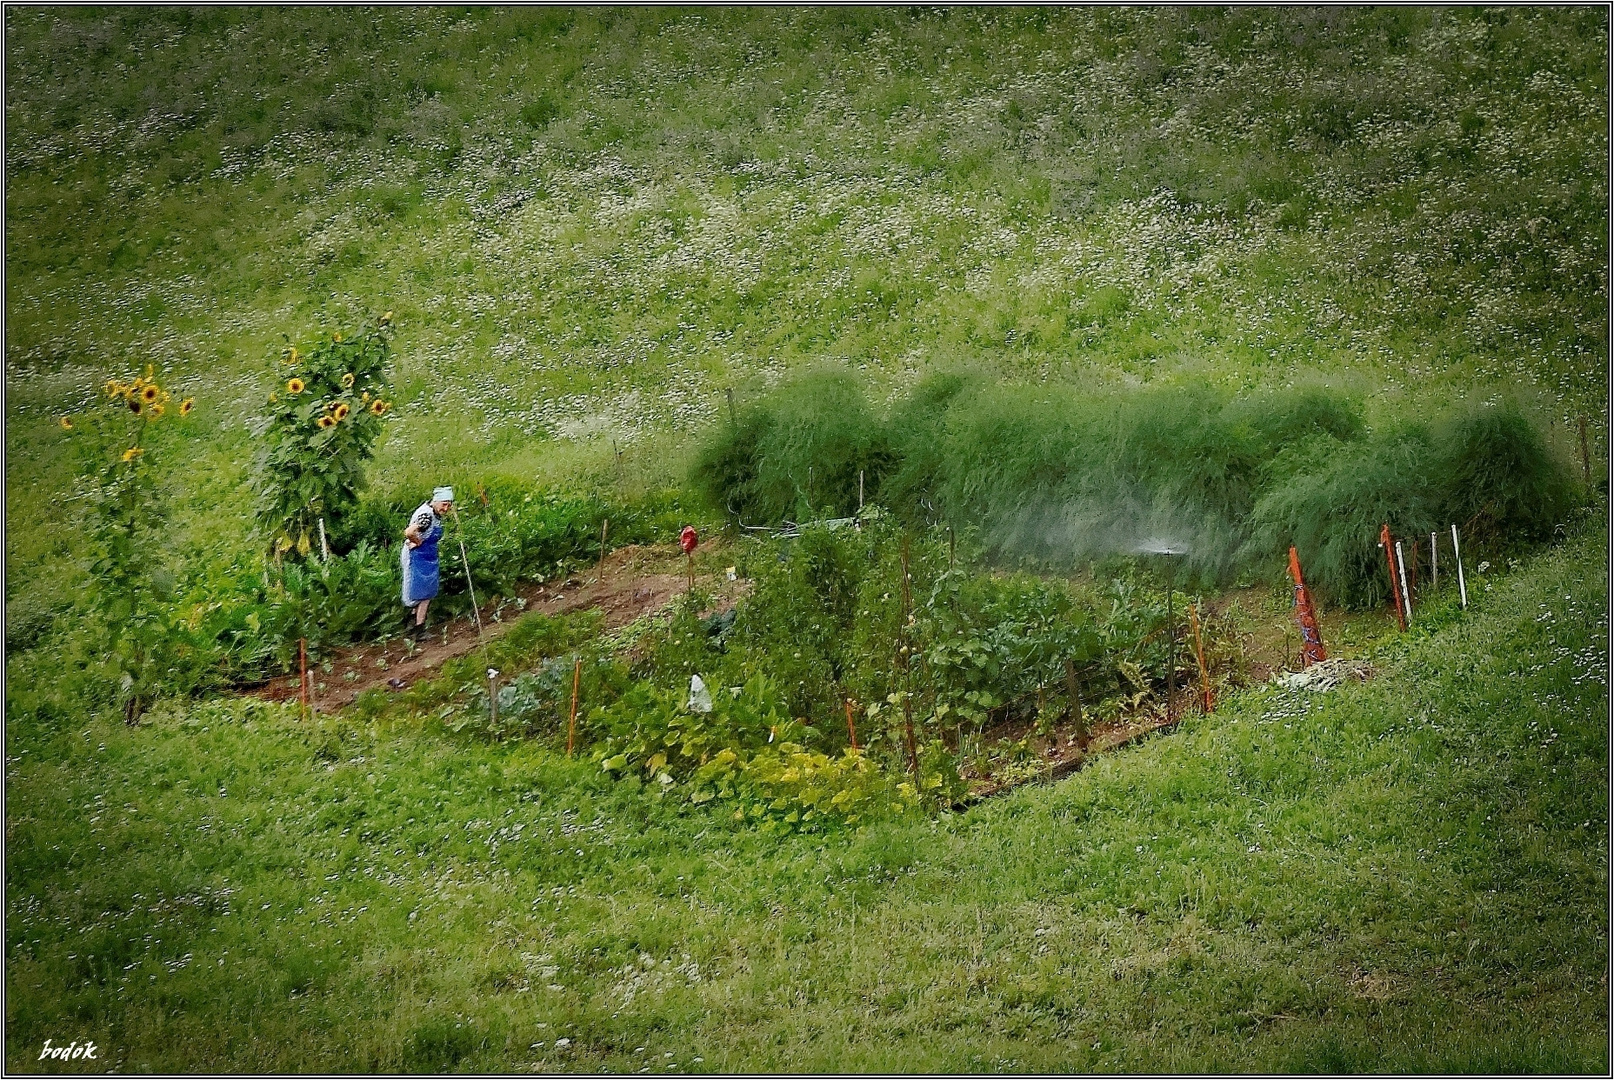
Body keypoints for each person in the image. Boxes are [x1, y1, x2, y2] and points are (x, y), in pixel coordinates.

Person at [401, 486, 454, 638]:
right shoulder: (427, 516)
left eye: (449, 505)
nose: (446, 508)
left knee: (422, 592)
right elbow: (409, 532)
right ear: (436, 501)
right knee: (424, 594)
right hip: (418, 556)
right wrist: (416, 541)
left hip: (426, 556)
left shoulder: (431, 512)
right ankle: (419, 629)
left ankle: (412, 623)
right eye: (444, 504)